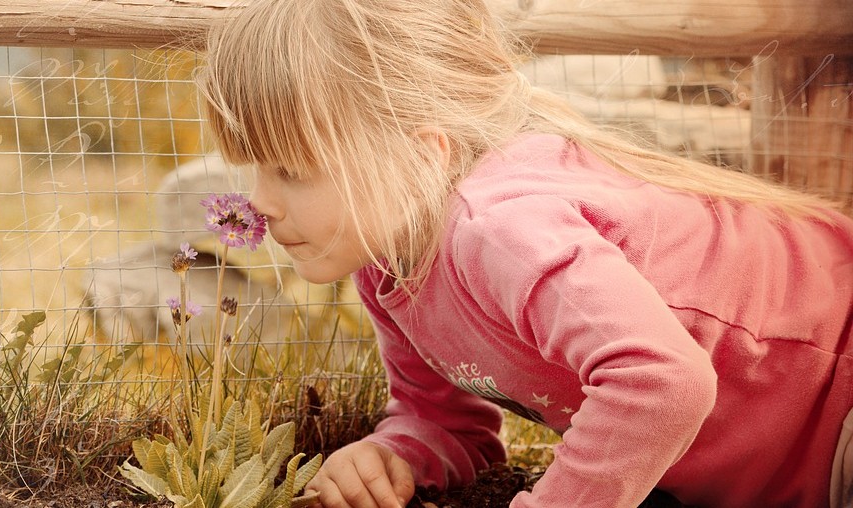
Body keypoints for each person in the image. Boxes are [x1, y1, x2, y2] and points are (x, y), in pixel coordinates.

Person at [198, 0, 853, 506]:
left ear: (424, 154)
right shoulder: (387, 268)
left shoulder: (500, 230)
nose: (261, 203)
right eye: (254, 169)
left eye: (290, 169)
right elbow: (449, 425)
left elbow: (662, 380)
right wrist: (399, 451)